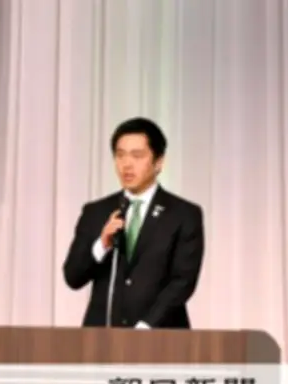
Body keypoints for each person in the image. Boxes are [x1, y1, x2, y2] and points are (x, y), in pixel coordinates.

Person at [62, 117, 205, 329]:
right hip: (103, 337)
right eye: (120, 155)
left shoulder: (183, 214)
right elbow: (72, 277)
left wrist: (145, 327)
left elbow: (182, 282)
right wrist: (102, 245)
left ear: (159, 162)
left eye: (137, 156)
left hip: (161, 336)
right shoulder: (96, 212)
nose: (126, 164)